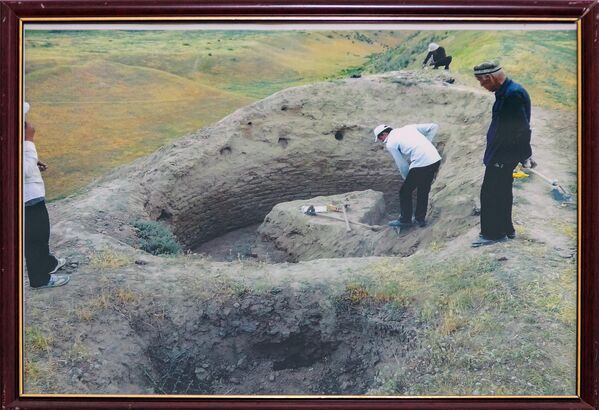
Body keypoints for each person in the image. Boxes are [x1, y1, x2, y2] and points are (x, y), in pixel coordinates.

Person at [470, 62, 536, 248]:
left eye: (481, 82)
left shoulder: (512, 95)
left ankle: (493, 234)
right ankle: (507, 229)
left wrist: (525, 155)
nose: (481, 86)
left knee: (491, 193)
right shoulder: (507, 92)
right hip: (501, 152)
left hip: (503, 154)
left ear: (489, 78)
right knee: (502, 191)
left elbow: (522, 128)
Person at [23, 102, 70, 288]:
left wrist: (34, 161)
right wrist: (29, 142)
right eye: (24, 117)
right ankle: (40, 279)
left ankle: (48, 263)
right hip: (26, 199)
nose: (27, 120)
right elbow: (20, 170)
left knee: (41, 234)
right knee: (35, 238)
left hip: (31, 195)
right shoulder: (25, 140)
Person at [373, 123, 442, 229]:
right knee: (423, 189)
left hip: (422, 162)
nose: (380, 141)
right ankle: (420, 219)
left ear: (384, 134)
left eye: (379, 138)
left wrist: (407, 179)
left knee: (404, 192)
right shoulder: (409, 128)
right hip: (435, 159)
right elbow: (433, 127)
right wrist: (427, 144)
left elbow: (402, 164)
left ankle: (405, 220)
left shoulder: (391, 143)